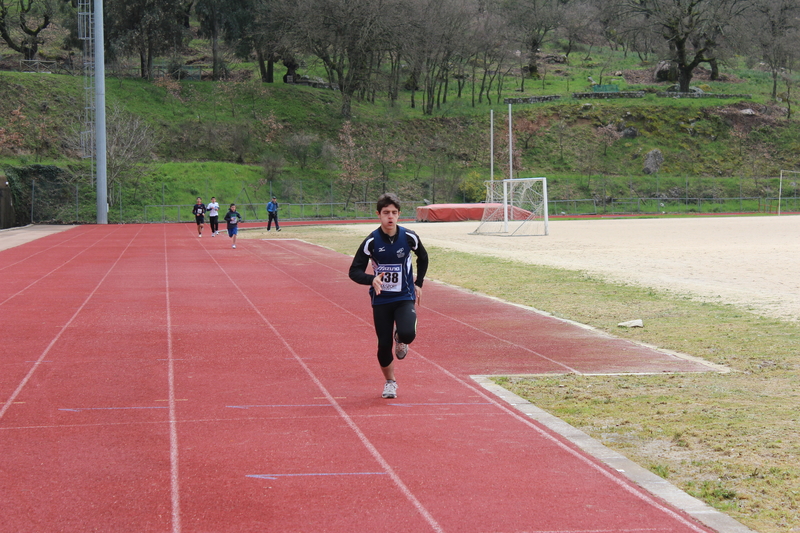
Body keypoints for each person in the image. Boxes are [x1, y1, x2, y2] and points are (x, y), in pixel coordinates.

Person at [349, 193, 428, 399]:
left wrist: (418, 283)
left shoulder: (409, 237)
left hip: (404, 296)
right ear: (379, 215)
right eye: (386, 213)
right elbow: (354, 271)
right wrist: (371, 279)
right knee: (383, 345)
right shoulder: (371, 242)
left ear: (399, 214)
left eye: (394, 213)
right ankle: (390, 382)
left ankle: (400, 338)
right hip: (381, 299)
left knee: (408, 333)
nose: (390, 217)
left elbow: (424, 257)